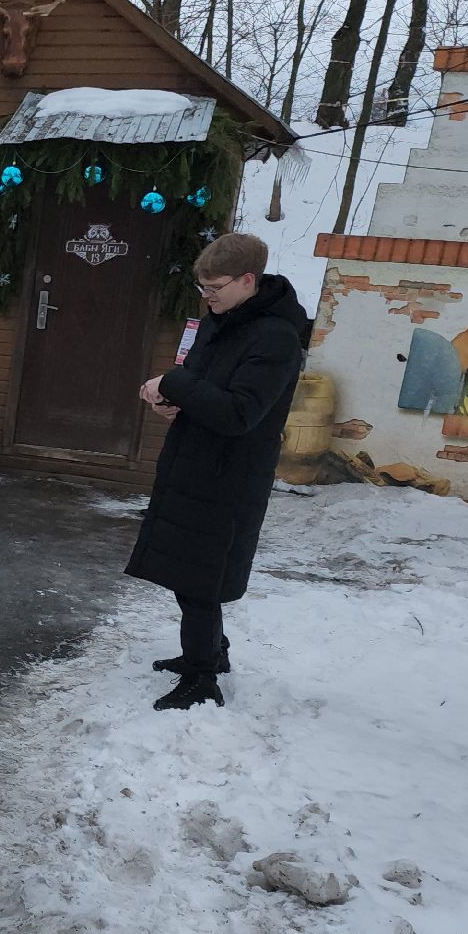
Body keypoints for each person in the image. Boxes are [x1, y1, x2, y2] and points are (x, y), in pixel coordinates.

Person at [130, 233, 308, 711]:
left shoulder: (276, 337)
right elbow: (206, 389)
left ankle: (203, 675)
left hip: (229, 476)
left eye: (215, 287)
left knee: (200, 579)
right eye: (202, 288)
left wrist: (173, 382)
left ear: (249, 280)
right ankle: (208, 653)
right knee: (190, 571)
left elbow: (238, 413)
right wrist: (173, 402)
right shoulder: (222, 321)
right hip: (194, 461)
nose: (207, 297)